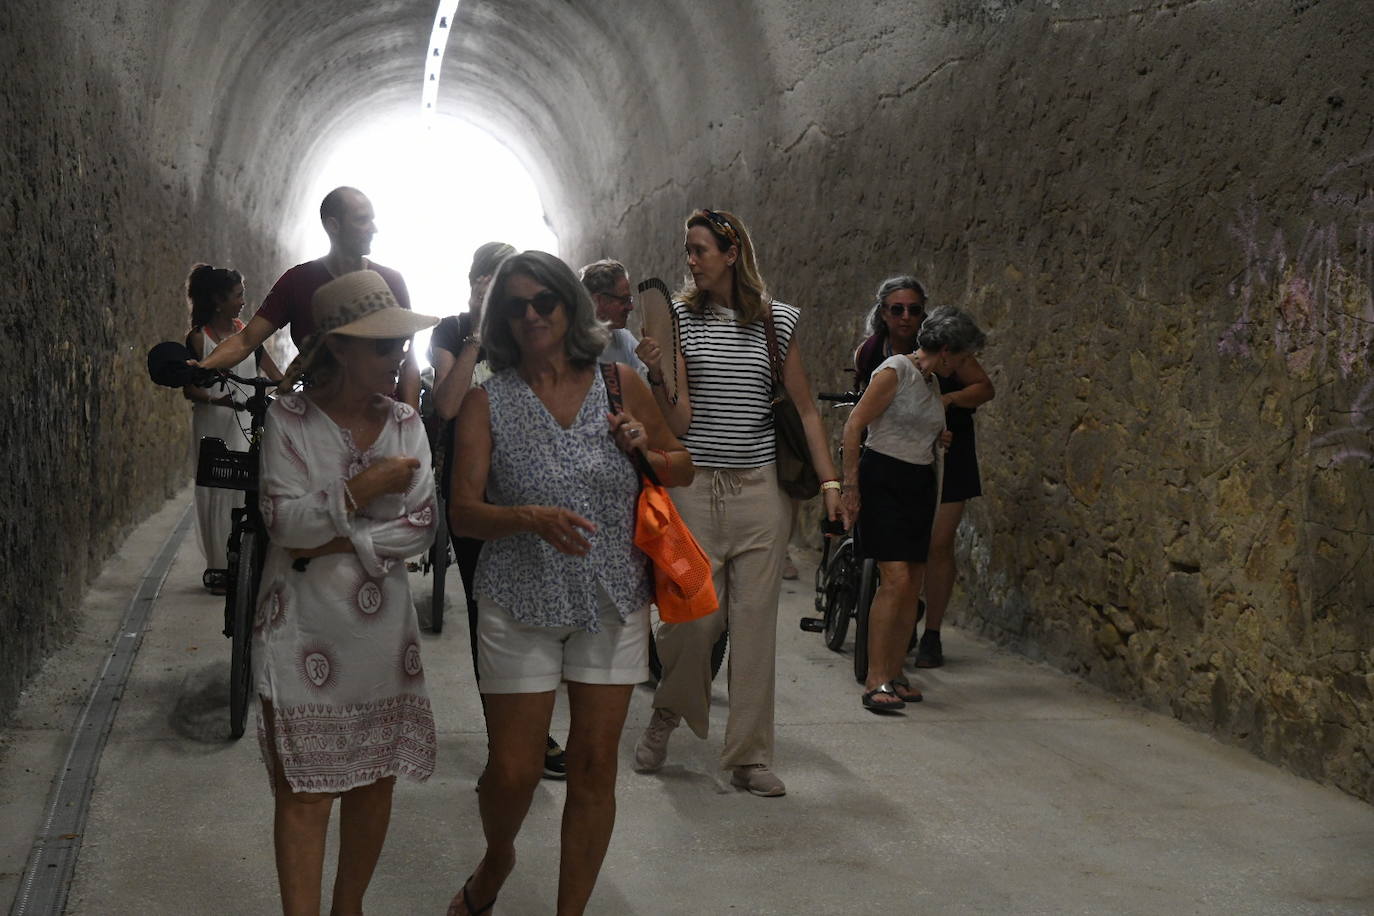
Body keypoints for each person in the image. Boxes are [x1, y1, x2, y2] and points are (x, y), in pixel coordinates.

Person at [447, 250, 693, 915]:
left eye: (543, 302)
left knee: (592, 766)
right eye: (515, 306)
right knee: (515, 771)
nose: (530, 316)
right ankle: (498, 857)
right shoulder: (486, 401)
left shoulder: (620, 383)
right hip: (518, 598)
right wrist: (526, 517)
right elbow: (463, 514)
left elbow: (682, 465)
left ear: (568, 307)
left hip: (612, 598)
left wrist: (645, 443)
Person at [633, 208, 841, 797]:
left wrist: (830, 484)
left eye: (700, 249)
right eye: (687, 250)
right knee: (692, 621)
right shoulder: (678, 319)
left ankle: (749, 756)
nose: (691, 260)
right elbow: (680, 417)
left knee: (753, 627)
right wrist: (655, 375)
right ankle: (667, 715)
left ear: (731, 254)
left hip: (761, 492)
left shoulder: (776, 322)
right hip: (695, 491)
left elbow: (804, 410)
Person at [253, 270, 440, 915]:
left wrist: (328, 529)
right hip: (301, 630)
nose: (400, 359)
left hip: (381, 637)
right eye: (384, 346)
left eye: (401, 346)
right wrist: (366, 491)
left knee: (373, 781)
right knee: (303, 792)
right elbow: (282, 524)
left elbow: (420, 528)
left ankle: (348, 907)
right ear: (339, 348)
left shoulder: (406, 422)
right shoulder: (290, 420)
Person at [429, 241, 569, 780]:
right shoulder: (452, 331)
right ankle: (508, 740)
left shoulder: (524, 331)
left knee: (535, 614)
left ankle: (532, 730)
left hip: (528, 493)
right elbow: (446, 404)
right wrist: (476, 334)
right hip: (472, 498)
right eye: (485, 282)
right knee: (487, 619)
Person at [838, 306, 986, 712]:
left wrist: (938, 437)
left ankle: (895, 672)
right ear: (945, 349)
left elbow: (918, 425)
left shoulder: (932, 383)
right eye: (961, 356)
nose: (962, 365)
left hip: (919, 482)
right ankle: (875, 679)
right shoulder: (895, 371)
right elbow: (855, 426)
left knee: (913, 581)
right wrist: (850, 486)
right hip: (883, 479)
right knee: (895, 579)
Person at [194, 186, 421, 407]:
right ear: (333, 225)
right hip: (319, 417)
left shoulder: (390, 282)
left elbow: (408, 361)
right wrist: (201, 367)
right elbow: (246, 341)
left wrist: (410, 424)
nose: (373, 229)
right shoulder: (298, 280)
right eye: (362, 220)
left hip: (379, 417)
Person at [182, 264, 282, 593]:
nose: (243, 301)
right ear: (218, 299)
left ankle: (241, 554)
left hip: (245, 419)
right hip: (213, 420)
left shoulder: (247, 333)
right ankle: (218, 565)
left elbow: (273, 373)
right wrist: (219, 402)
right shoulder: (200, 338)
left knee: (243, 484)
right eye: (238, 295)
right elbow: (190, 389)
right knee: (215, 488)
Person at [579, 258, 646, 371]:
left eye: (630, 300)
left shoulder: (623, 339)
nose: (631, 307)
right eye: (624, 300)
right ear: (600, 301)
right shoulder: (572, 347)